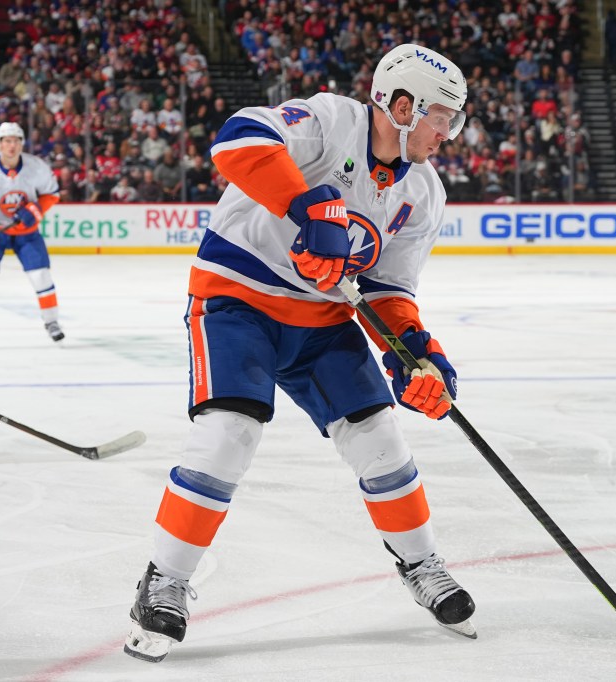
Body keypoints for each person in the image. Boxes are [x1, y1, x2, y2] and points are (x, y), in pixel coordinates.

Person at [124, 43, 475, 663]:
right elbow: (238, 137)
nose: (449, 132)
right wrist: (308, 204)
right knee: (229, 432)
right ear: (400, 105)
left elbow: (389, 290)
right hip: (239, 300)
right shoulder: (331, 121)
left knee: (380, 440)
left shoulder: (423, 192)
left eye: (454, 119)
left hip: (322, 322)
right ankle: (165, 578)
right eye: (441, 116)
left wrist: (416, 355)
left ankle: (421, 565)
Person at [0, 123, 64, 344]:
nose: (11, 145)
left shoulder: (36, 166)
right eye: (7, 141)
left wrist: (35, 209)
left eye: (16, 140)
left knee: (41, 276)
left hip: (26, 232)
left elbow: (52, 194)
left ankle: (52, 321)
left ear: (22, 143)